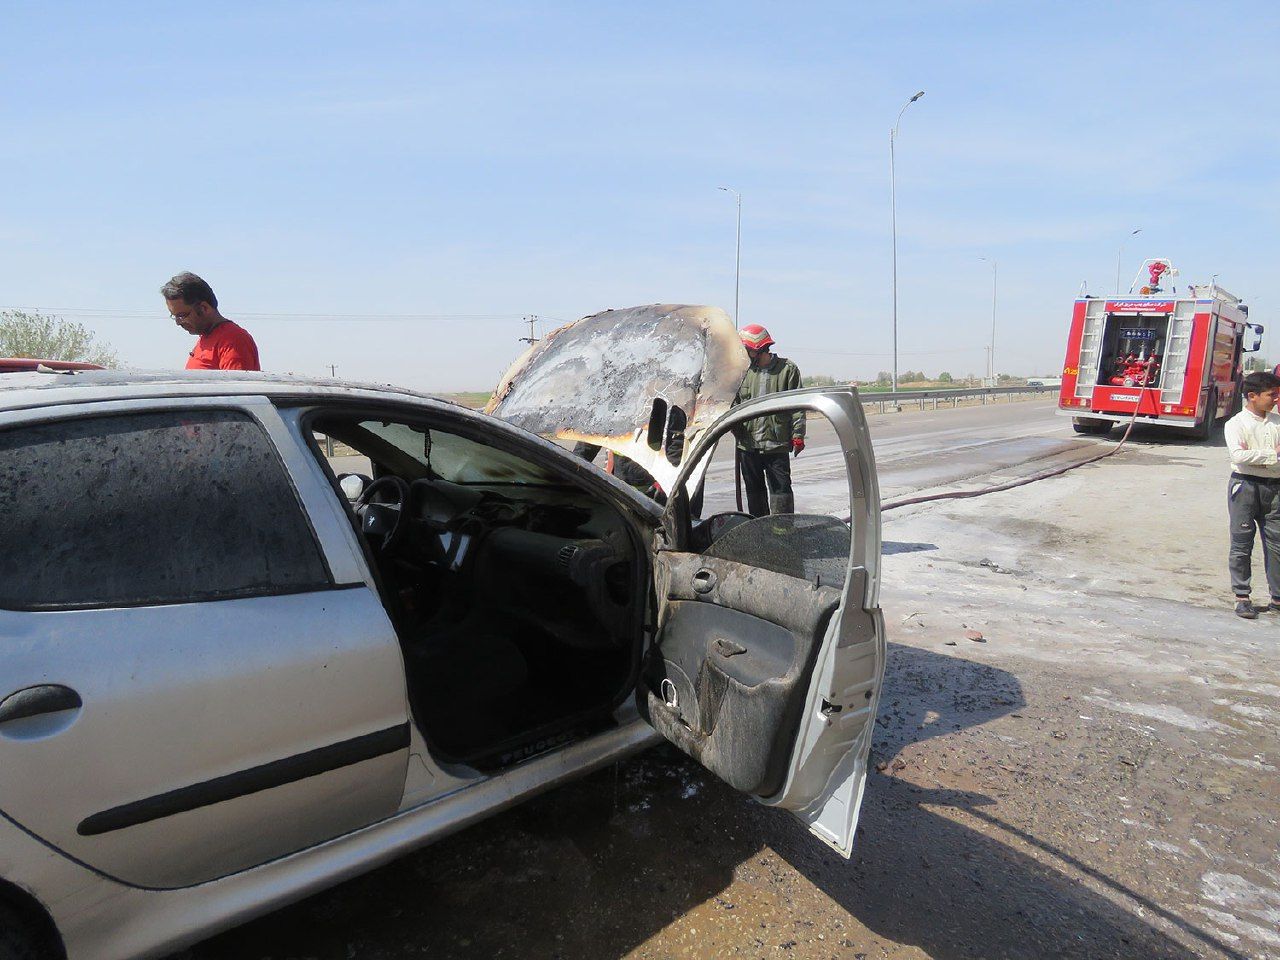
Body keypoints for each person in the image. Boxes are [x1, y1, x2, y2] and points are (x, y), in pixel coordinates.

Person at [1224, 370, 1280, 618]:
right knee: (1242, 543)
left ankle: (1277, 598)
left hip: (1275, 488)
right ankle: (1242, 597)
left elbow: (1248, 457)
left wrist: (1256, 456)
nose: (1276, 399)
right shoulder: (1236, 424)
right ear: (1253, 396)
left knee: (1276, 544)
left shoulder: (1277, 423)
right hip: (1244, 487)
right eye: (1272, 395)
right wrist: (1273, 454)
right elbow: (1238, 457)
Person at [733, 323, 804, 517]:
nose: (744, 354)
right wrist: (736, 431)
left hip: (776, 445)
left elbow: (797, 406)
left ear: (758, 349)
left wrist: (798, 435)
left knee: (781, 492)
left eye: (747, 349)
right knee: (754, 493)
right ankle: (760, 534)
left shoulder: (787, 370)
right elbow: (734, 405)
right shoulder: (743, 372)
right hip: (748, 447)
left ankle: (783, 532)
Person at [161, 272, 260, 371]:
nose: (178, 322)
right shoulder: (206, 337)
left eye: (182, 315)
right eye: (174, 316)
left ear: (204, 308)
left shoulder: (233, 340)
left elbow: (237, 385)